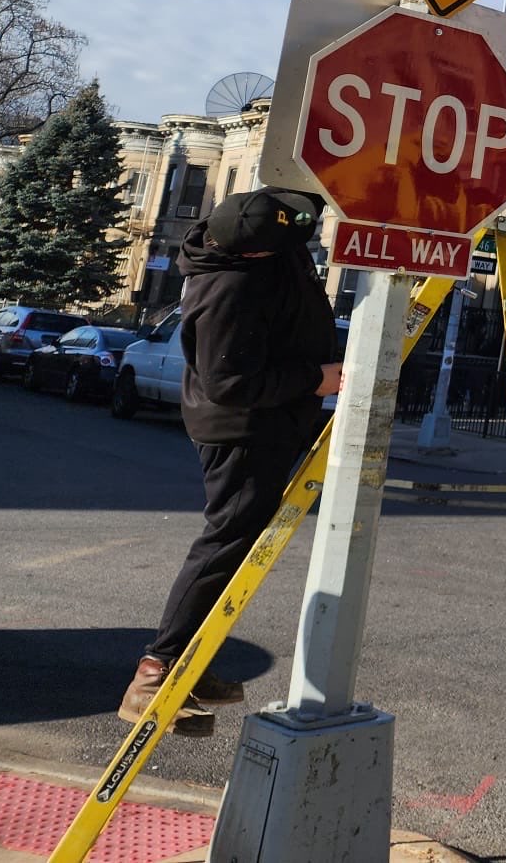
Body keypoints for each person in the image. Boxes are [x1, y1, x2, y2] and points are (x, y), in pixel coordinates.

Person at [120, 188, 343, 736]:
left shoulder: (261, 241)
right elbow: (229, 384)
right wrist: (314, 380)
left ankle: (192, 663)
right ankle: (155, 672)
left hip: (269, 423)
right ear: (256, 252)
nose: (300, 247)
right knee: (227, 542)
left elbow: (300, 209)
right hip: (241, 430)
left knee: (237, 542)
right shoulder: (227, 289)